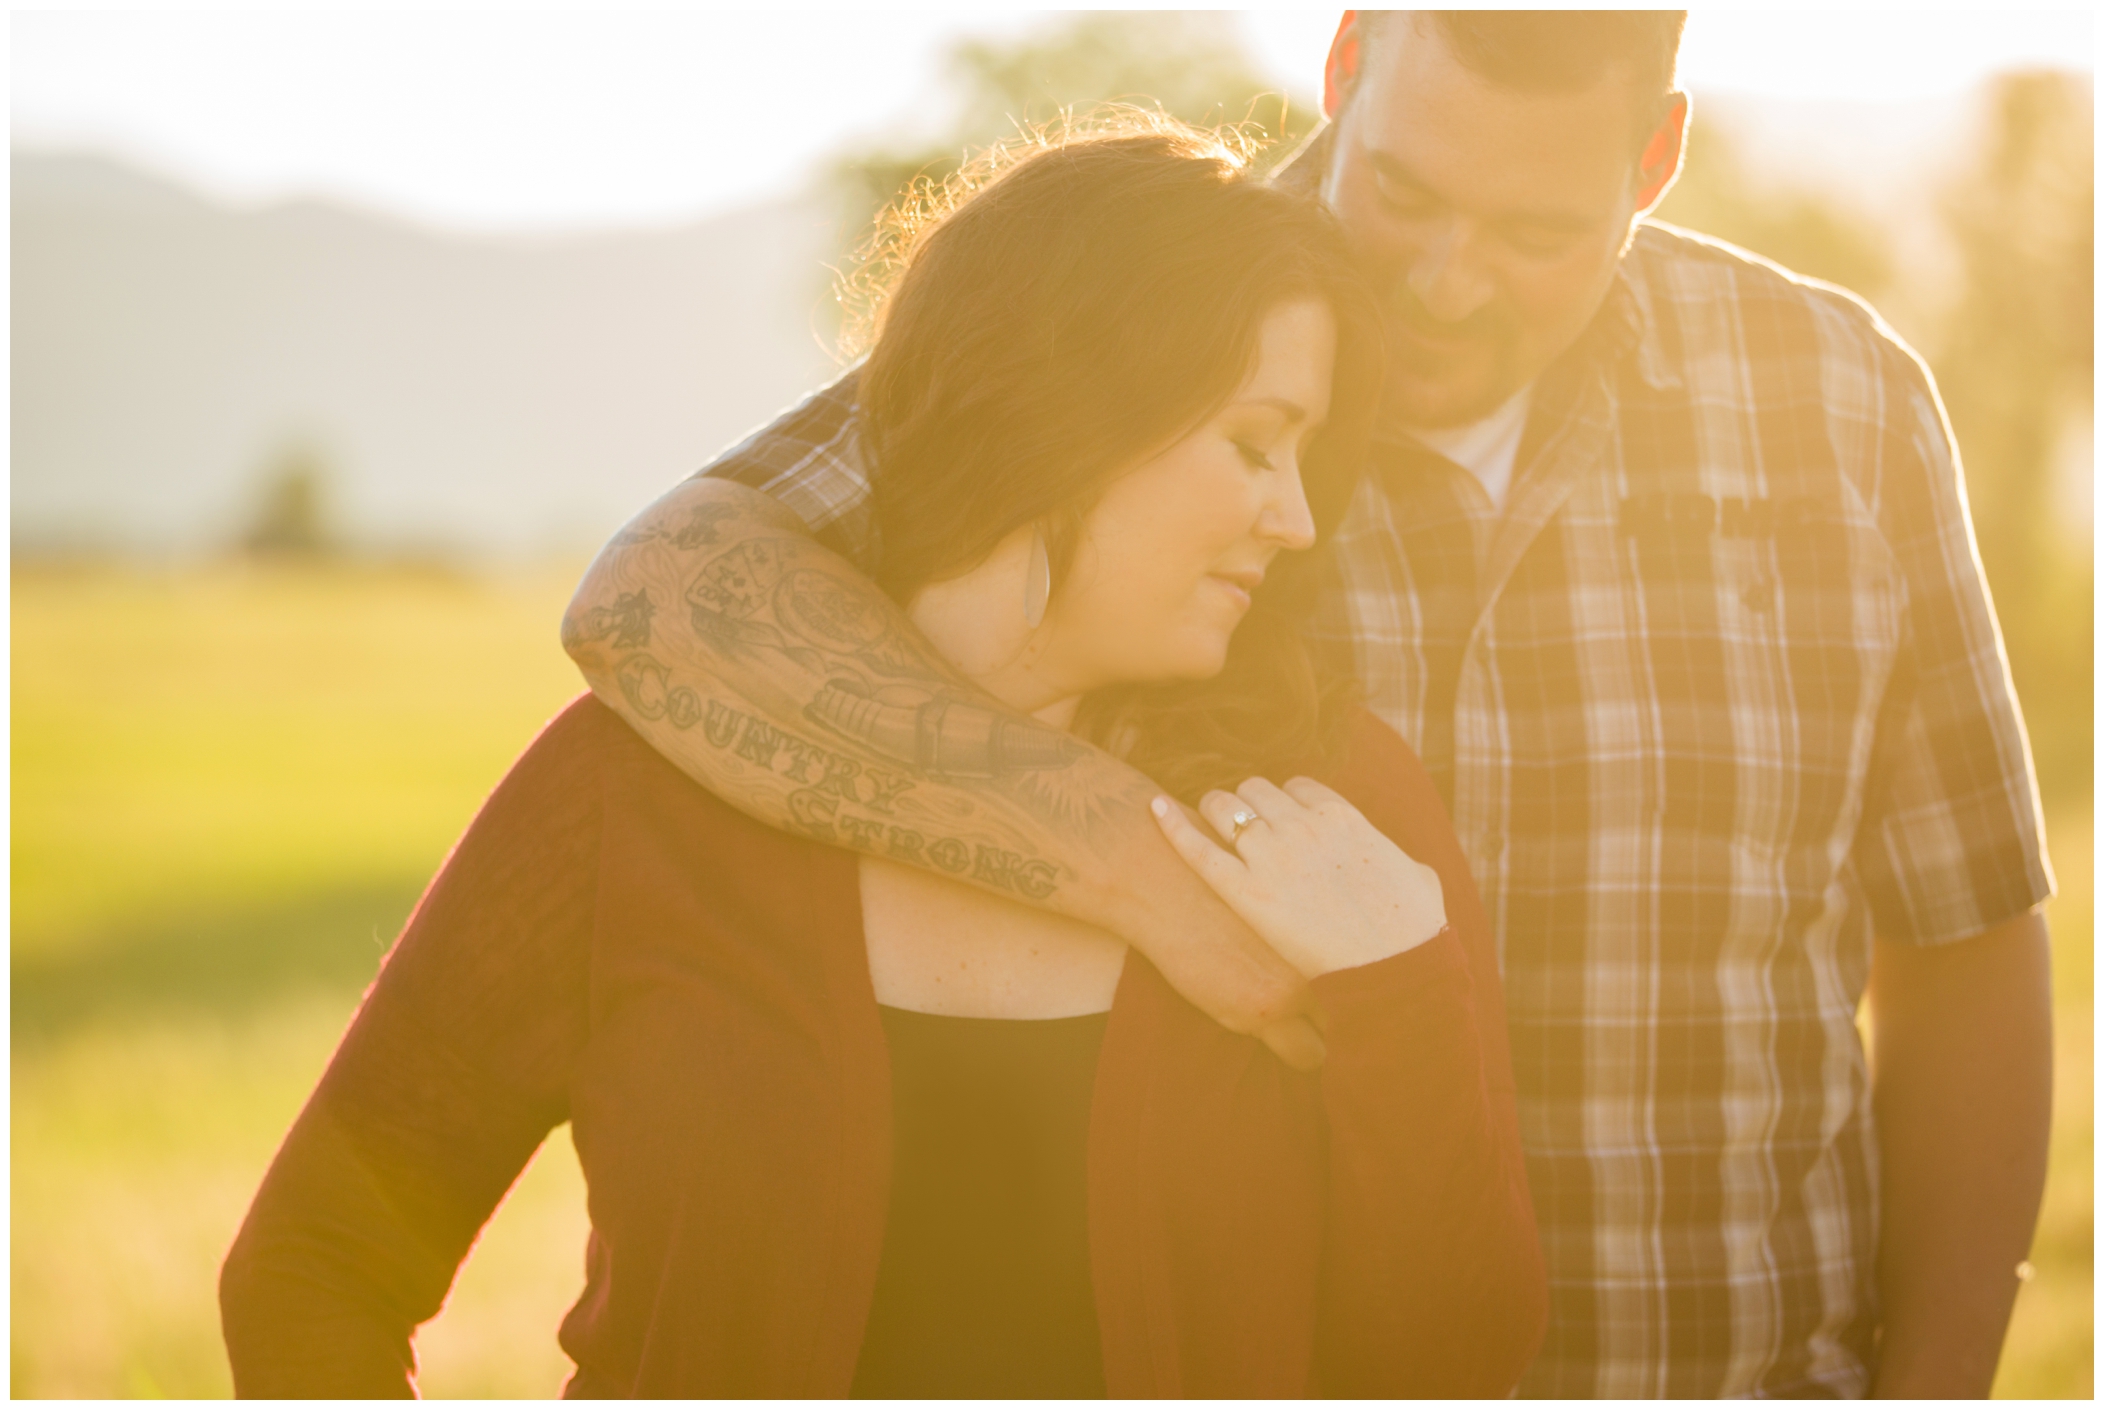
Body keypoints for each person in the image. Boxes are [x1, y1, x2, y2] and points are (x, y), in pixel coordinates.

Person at [555, 11, 2057, 1399]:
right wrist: (1112, 848)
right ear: (1346, 66)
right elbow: (656, 597)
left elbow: (1969, 929)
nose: (1441, 281)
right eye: (1400, 191)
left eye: (1534, 231)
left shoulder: (1845, 405)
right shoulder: (1135, 338)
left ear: (1654, 157)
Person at [219, 124, 1547, 1398]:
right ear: (1062, 416)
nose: (1296, 517)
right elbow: (315, 1266)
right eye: (1256, 444)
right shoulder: (630, 792)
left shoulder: (1332, 812)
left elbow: (1445, 1367)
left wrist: (1400, 990)